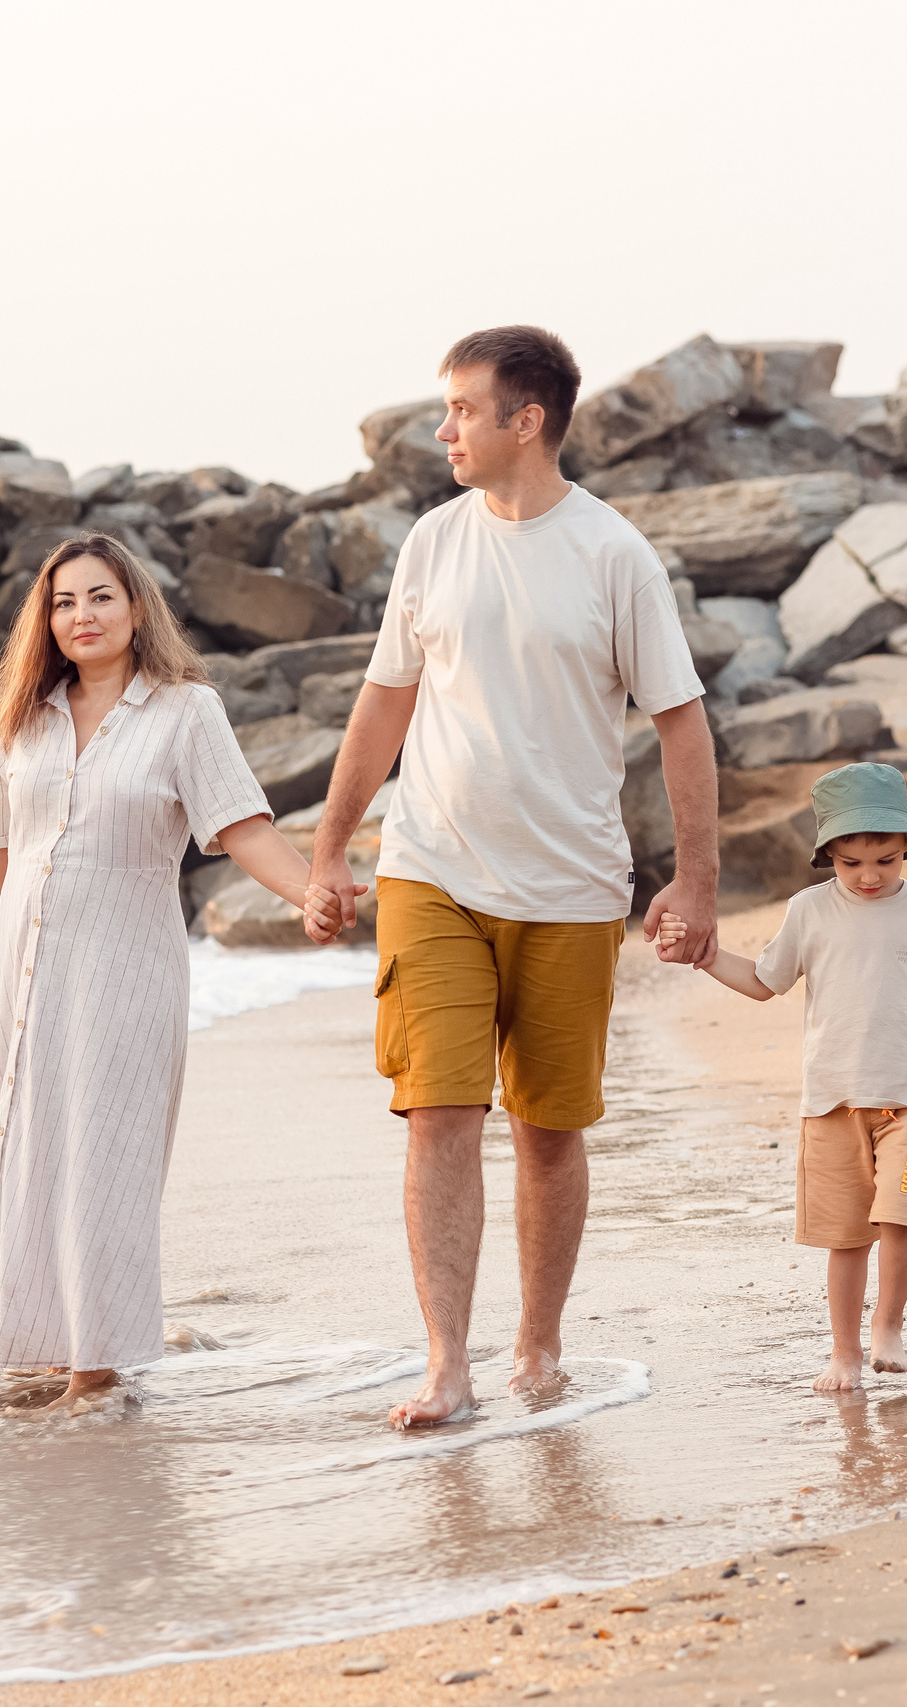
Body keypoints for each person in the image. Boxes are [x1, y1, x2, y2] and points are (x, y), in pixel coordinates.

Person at [302, 324, 722, 1429]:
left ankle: (537, 1344)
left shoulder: (613, 554)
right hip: (430, 869)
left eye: (460, 410)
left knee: (547, 1129)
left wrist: (695, 883)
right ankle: (447, 1360)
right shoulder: (432, 544)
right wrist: (332, 844)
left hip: (572, 886)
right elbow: (384, 699)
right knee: (437, 1109)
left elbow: (679, 721)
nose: (441, 430)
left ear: (523, 421)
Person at [0, 534, 353, 1411]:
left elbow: (240, 826)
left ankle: (95, 1367)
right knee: (23, 1149)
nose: (83, 615)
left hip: (124, 973)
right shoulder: (25, 721)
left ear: (136, 607)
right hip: (25, 978)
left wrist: (310, 892)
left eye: (101, 597)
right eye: (65, 602)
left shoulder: (187, 711)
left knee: (102, 1159)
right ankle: (36, 1347)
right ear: (48, 619)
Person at [660, 763, 907, 1391]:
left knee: (903, 1214)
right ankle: (844, 1352)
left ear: (906, 848)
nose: (870, 876)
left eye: (885, 860)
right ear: (828, 855)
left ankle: (889, 1326)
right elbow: (765, 983)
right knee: (846, 1238)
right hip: (831, 1105)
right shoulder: (807, 911)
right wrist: (706, 957)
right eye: (852, 863)